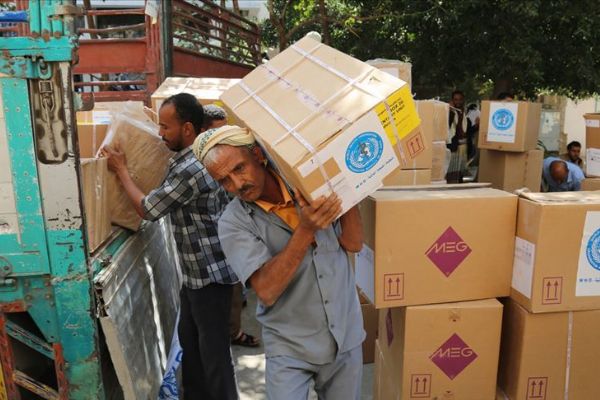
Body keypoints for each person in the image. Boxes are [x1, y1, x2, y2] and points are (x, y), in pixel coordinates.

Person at [193, 125, 365, 400]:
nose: (237, 185)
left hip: (345, 335)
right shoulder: (233, 223)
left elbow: (353, 243)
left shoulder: (307, 181)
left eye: (239, 169)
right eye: (224, 181)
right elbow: (266, 290)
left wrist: (343, 185)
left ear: (257, 155)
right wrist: (305, 230)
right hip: (289, 348)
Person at [102, 94, 238, 400]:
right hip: (196, 275)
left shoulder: (192, 169)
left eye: (165, 127)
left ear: (187, 129)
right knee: (191, 347)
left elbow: (148, 208)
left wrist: (121, 169)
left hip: (209, 276)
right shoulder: (189, 159)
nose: (160, 133)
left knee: (214, 356)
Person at [201, 104, 260, 348]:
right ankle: (233, 334)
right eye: (216, 133)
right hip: (217, 249)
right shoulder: (201, 168)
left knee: (236, 293)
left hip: (233, 243)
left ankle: (234, 330)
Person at [447, 90, 473, 182]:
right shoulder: (449, 112)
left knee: (460, 174)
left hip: (463, 147)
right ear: (452, 100)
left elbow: (467, 131)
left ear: (463, 100)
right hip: (453, 147)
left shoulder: (464, 113)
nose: (458, 102)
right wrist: (450, 111)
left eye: (460, 99)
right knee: (452, 173)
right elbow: (447, 126)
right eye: (456, 99)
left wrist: (476, 126)